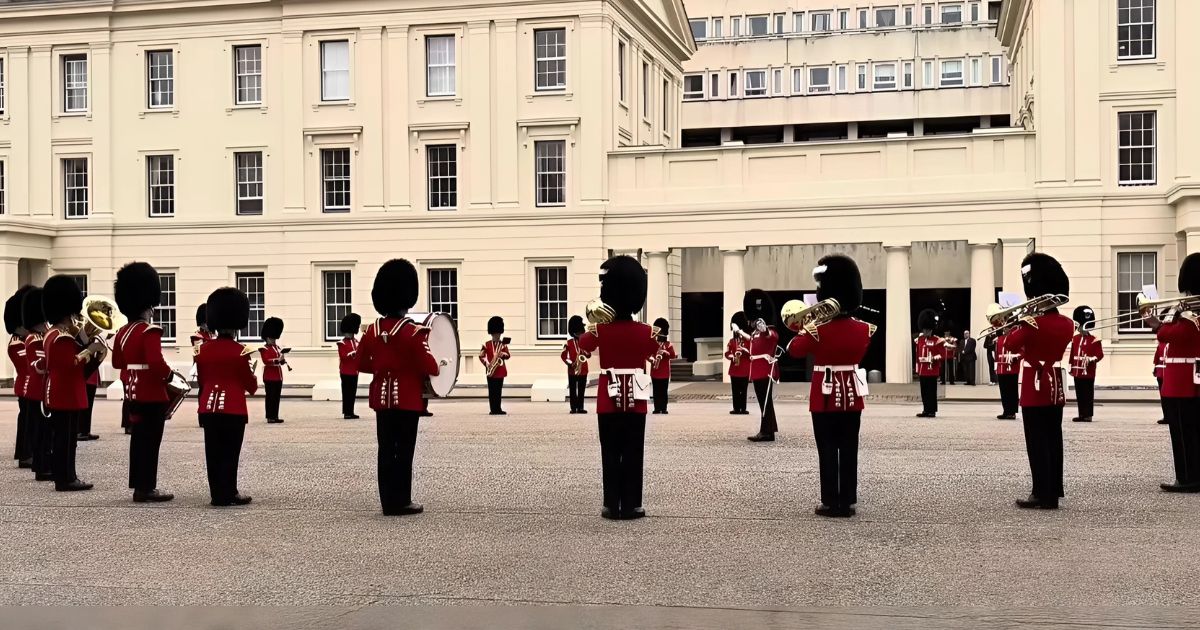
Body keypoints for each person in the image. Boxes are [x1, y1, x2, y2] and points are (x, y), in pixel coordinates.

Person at [786, 255, 875, 518]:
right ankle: (847, 501)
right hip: (851, 395)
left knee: (826, 449)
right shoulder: (864, 329)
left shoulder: (817, 330)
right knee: (849, 448)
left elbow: (794, 351)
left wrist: (806, 326)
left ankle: (830, 501)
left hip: (823, 396)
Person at [358, 259, 443, 516]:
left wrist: (384, 367)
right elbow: (432, 367)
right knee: (404, 451)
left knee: (385, 450)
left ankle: (387, 501)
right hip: (406, 400)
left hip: (381, 401)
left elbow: (361, 364)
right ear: (407, 297)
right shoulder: (412, 333)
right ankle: (402, 500)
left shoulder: (371, 331)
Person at [577, 255, 659, 520]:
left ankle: (611, 503)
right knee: (634, 451)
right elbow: (659, 352)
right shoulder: (646, 332)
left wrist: (594, 322)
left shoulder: (600, 331)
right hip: (636, 396)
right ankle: (632, 504)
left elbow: (583, 346)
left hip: (607, 398)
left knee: (610, 452)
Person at [1006, 253, 1074, 510]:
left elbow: (1009, 343)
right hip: (1055, 385)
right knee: (1053, 437)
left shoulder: (1032, 324)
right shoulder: (1067, 324)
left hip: (1035, 385)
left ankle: (1041, 493)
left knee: (1036, 441)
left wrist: (1017, 321)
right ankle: (1054, 489)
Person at [111, 262, 174, 502]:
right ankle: (147, 487)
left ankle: (138, 484)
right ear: (148, 306)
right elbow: (155, 362)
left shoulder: (122, 332)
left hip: (133, 393)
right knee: (151, 441)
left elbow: (118, 363)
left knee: (138, 440)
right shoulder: (149, 331)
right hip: (151, 393)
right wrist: (169, 376)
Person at [42, 274, 106, 492]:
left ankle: (66, 475)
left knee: (66, 438)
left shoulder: (53, 334)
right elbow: (72, 365)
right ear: (66, 314)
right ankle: (66, 478)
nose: (75, 320)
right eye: (73, 316)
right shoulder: (61, 338)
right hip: (65, 393)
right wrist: (92, 350)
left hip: (62, 392)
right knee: (66, 440)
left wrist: (89, 347)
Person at [195, 287, 258, 506]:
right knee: (230, 453)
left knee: (212, 453)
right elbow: (251, 387)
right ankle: (230, 492)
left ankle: (217, 494)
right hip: (233, 408)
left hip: (209, 408)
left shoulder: (201, 351)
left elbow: (202, 381)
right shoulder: (241, 351)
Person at [1149, 253, 1200, 493]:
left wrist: (1155, 323)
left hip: (1182, 380)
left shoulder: (1190, 317)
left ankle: (1187, 477)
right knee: (1193, 431)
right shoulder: (1188, 314)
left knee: (1182, 433)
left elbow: (1169, 335)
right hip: (1191, 379)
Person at [22, 288, 53, 481]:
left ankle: (43, 464)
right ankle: (41, 467)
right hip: (36, 390)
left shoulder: (44, 335)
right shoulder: (33, 339)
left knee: (46, 430)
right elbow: (38, 365)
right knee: (41, 431)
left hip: (44, 389)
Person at [744, 289, 780, 442]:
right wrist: (739, 331)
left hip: (765, 371)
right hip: (757, 371)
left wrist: (764, 329)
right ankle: (769, 428)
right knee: (764, 402)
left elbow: (770, 336)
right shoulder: (754, 333)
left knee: (765, 402)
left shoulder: (769, 332)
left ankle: (766, 432)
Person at [7, 286, 33, 469]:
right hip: (26, 385)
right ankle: (25, 454)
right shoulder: (17, 343)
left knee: (27, 418)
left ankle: (24, 450)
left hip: (29, 384)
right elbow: (27, 367)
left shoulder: (27, 340)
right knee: (27, 418)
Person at [1069, 306, 1104, 423]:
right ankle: (1081, 414)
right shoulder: (1075, 339)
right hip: (1077, 370)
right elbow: (1072, 354)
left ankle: (1088, 414)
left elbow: (1100, 354)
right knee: (1079, 394)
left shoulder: (1095, 339)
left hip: (1088, 370)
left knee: (1088, 394)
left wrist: (1092, 359)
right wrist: (1071, 367)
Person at [914, 309, 943, 418]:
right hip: (922, 370)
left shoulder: (937, 340)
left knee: (931, 392)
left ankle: (932, 410)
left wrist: (933, 358)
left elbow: (942, 354)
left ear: (931, 330)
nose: (926, 332)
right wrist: (917, 368)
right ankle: (926, 409)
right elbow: (917, 355)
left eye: (928, 330)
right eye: (925, 330)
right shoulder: (920, 340)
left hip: (932, 370)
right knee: (924, 392)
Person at [479, 316, 510, 416]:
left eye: (499, 334)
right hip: (490, 371)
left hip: (500, 370)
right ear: (492, 333)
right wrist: (488, 364)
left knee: (498, 391)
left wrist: (502, 355)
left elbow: (508, 355)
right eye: (496, 334)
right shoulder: (486, 344)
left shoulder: (503, 345)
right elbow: (481, 356)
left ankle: (498, 408)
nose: (498, 336)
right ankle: (493, 409)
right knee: (492, 391)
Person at [259, 317, 287, 424]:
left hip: (278, 375)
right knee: (270, 397)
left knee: (276, 397)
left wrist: (282, 360)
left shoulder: (277, 348)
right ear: (267, 337)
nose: (274, 340)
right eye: (272, 338)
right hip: (269, 376)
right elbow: (266, 361)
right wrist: (277, 360)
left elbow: (279, 361)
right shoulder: (264, 349)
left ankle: (275, 415)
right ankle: (270, 416)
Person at [561, 315, 590, 414]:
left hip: (583, 369)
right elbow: (564, 355)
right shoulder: (568, 343)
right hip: (572, 369)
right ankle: (573, 407)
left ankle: (580, 407)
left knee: (581, 390)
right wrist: (570, 364)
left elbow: (588, 354)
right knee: (573, 390)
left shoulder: (584, 342)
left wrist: (585, 351)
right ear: (574, 331)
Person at [725, 311, 752, 415]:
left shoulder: (748, 340)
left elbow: (752, 353)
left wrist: (744, 350)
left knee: (743, 391)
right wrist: (731, 356)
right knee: (735, 391)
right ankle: (736, 408)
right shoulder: (732, 341)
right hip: (734, 369)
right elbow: (727, 353)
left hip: (744, 368)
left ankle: (743, 408)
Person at [190, 304, 212, 427]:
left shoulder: (211, 335)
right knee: (203, 392)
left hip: (212, 368)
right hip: (202, 368)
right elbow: (198, 353)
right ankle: (202, 418)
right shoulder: (197, 336)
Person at [337, 313, 362, 419]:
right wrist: (353, 353)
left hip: (355, 371)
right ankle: (346, 412)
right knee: (346, 392)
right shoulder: (342, 343)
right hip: (346, 371)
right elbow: (343, 357)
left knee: (352, 392)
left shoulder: (356, 341)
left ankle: (350, 411)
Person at [650, 318, 676, 415]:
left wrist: (666, 353)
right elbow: (648, 355)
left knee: (664, 392)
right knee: (656, 391)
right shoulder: (654, 344)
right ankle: (657, 408)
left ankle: (664, 408)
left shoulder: (668, 345)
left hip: (664, 372)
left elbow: (673, 355)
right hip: (655, 371)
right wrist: (652, 358)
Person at [1154, 339, 1168, 425]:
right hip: (1169, 373)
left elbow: (1156, 360)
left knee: (1163, 397)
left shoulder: (1160, 345)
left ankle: (1166, 415)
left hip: (1160, 373)